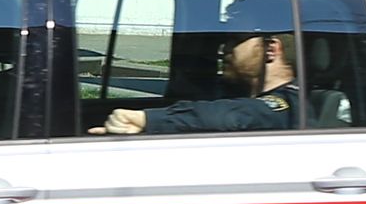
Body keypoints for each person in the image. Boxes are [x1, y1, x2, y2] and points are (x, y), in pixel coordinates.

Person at [96, 30, 306, 135]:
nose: (223, 49)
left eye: (235, 41)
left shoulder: (288, 104)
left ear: (271, 50)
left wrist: (147, 119)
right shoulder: (233, 92)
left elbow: (235, 115)